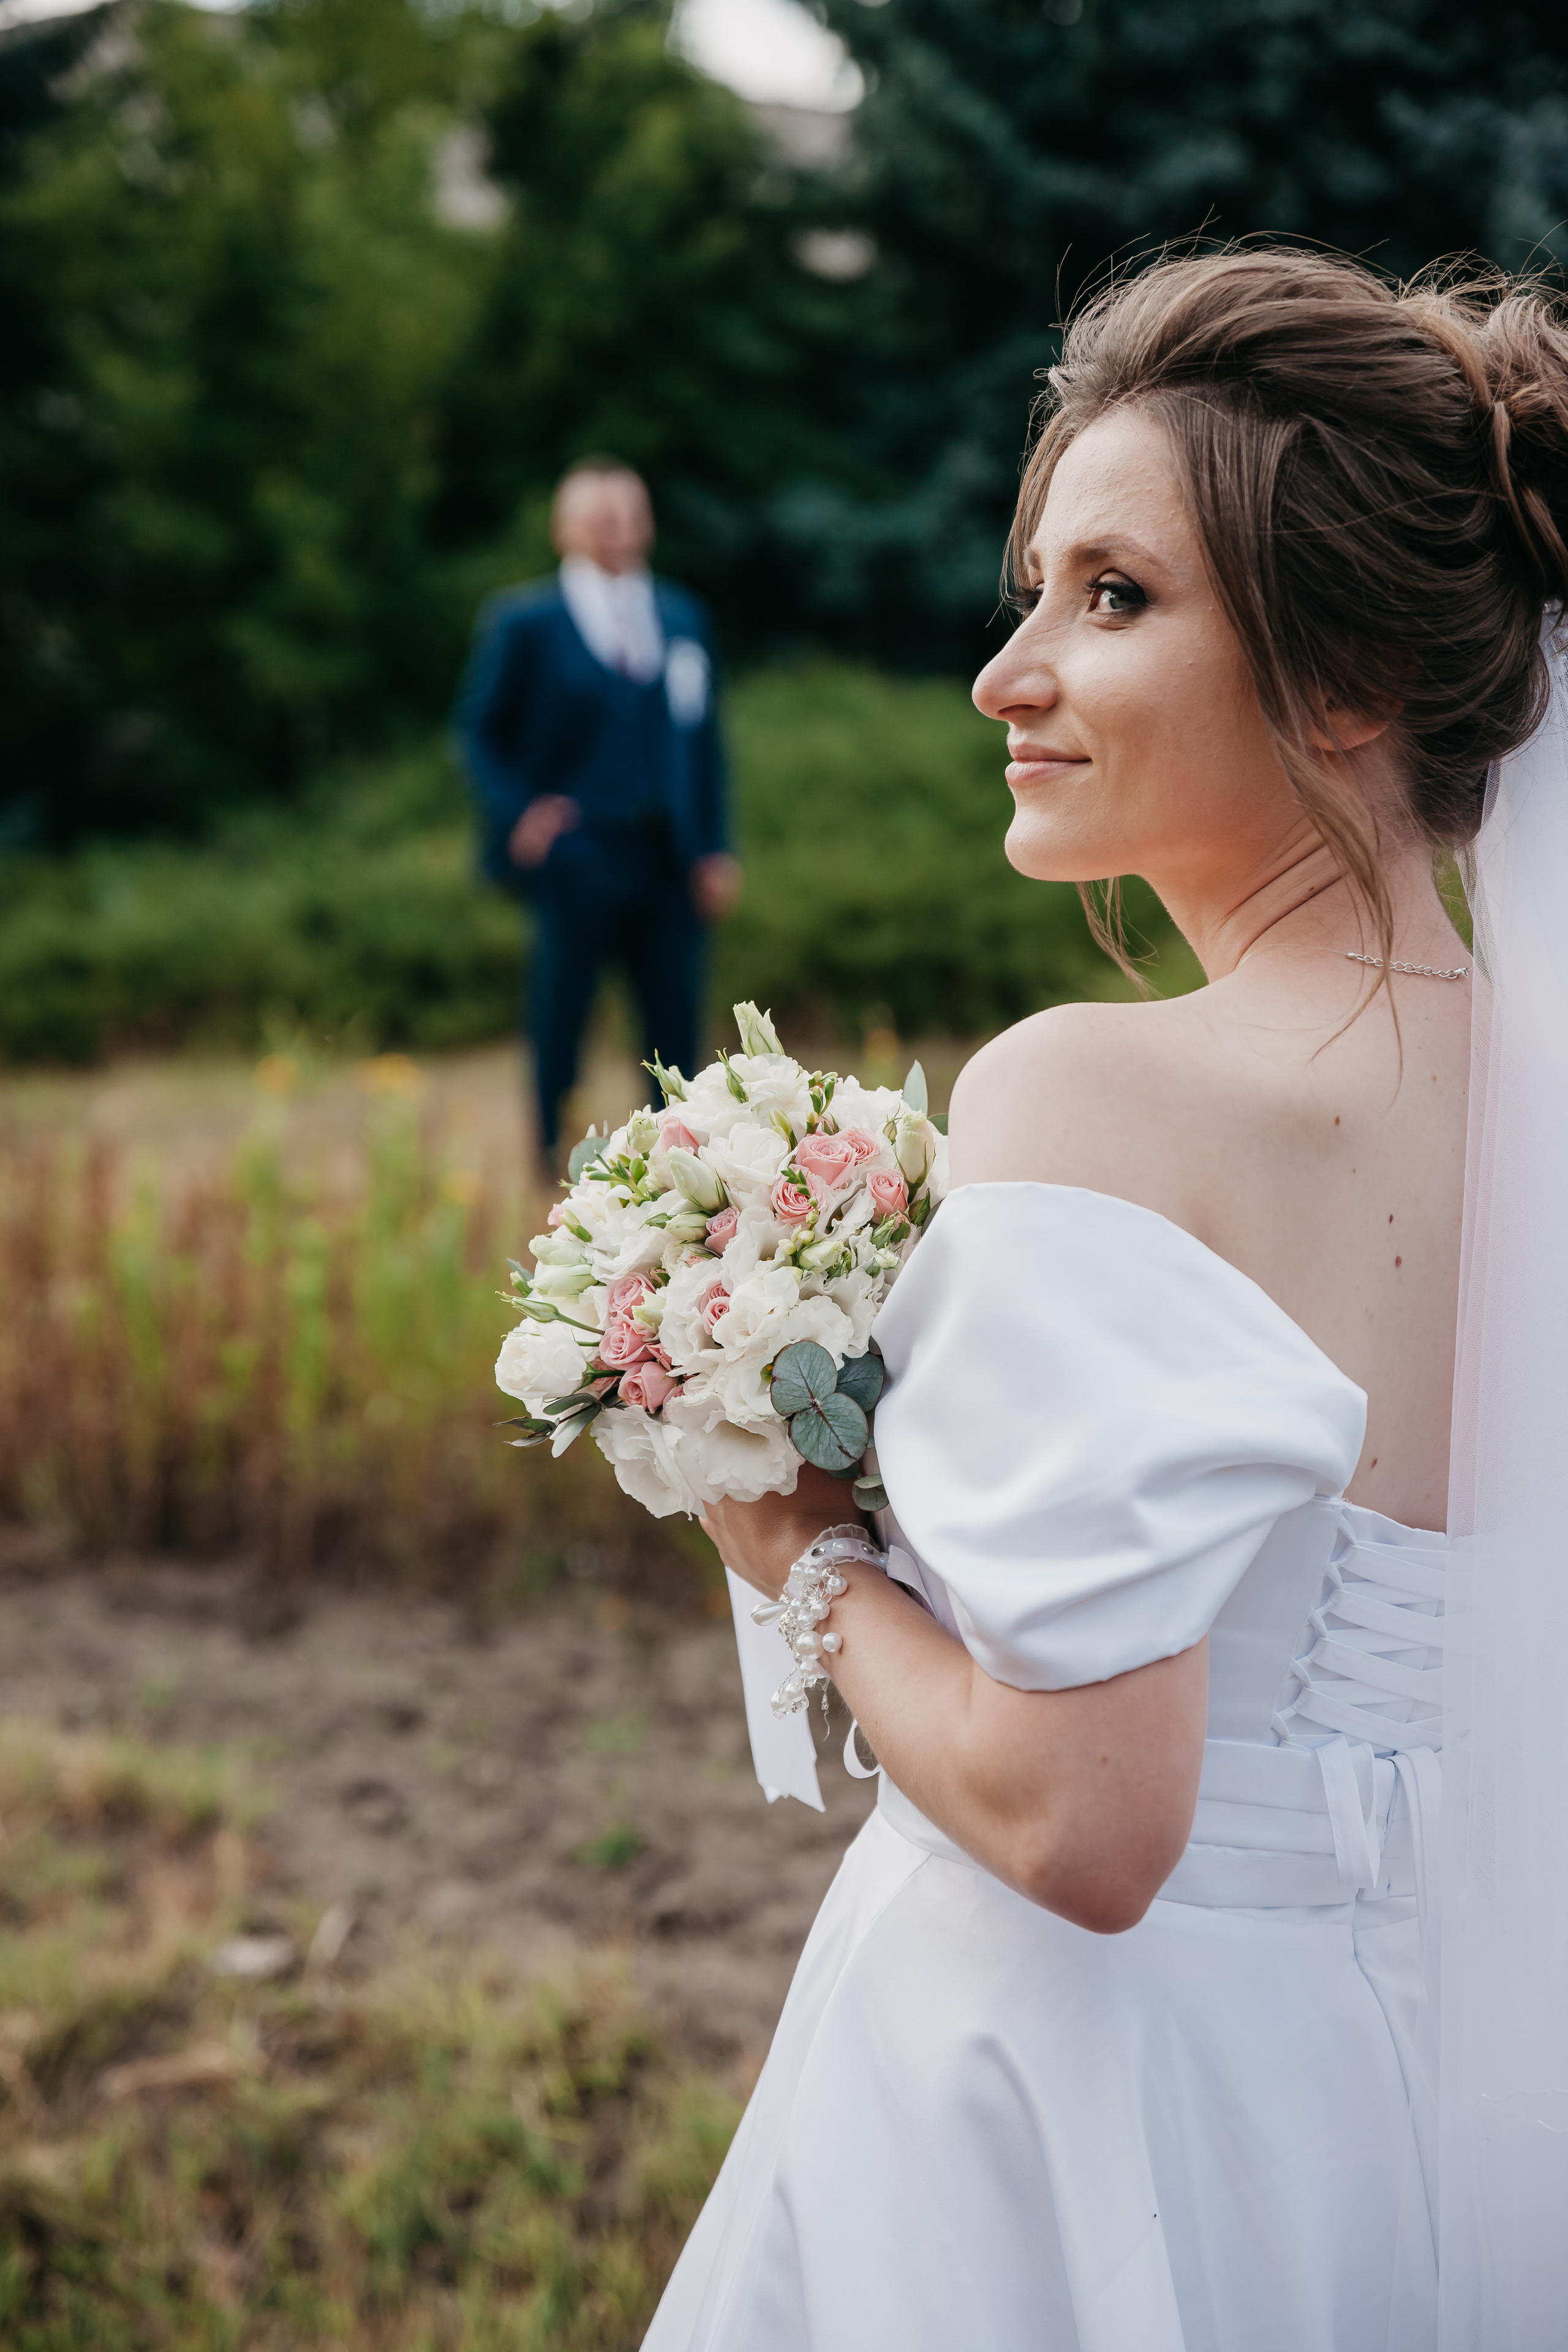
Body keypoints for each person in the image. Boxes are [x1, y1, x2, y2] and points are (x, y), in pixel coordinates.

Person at [643, 249, 1568, 2351]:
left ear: (1345, 681)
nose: (1008, 671)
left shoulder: (1098, 1091)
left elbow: (1083, 1820)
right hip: (1458, 2087)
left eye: (1113, 597)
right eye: (1035, 585)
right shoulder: (1548, 1110)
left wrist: (793, 1547)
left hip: (1103, 2099)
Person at [456, 459, 740, 1169]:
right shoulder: (525, 621)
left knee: (674, 1017)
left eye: (627, 513)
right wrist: (519, 812)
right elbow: (477, 732)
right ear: (565, 528)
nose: (616, 527)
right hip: (577, 854)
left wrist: (714, 846)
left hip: (666, 854)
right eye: (598, 515)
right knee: (562, 1010)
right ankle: (551, 1150)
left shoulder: (680, 615)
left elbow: (705, 741)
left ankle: (678, 1160)